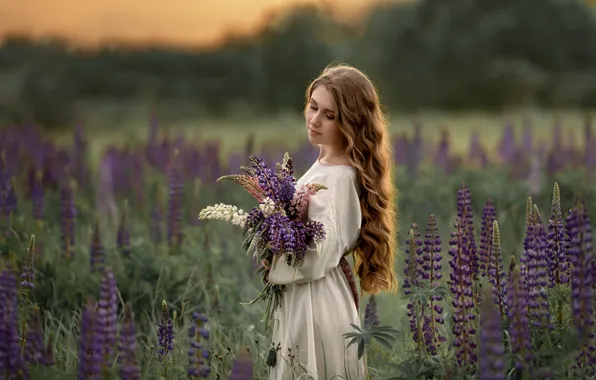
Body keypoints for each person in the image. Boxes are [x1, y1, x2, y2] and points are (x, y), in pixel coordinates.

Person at [265, 63, 399, 380]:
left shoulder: (338, 178)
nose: (315, 120)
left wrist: (273, 257)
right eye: (313, 107)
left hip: (317, 302)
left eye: (330, 115)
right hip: (309, 295)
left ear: (351, 123)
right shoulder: (327, 163)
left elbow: (316, 258)